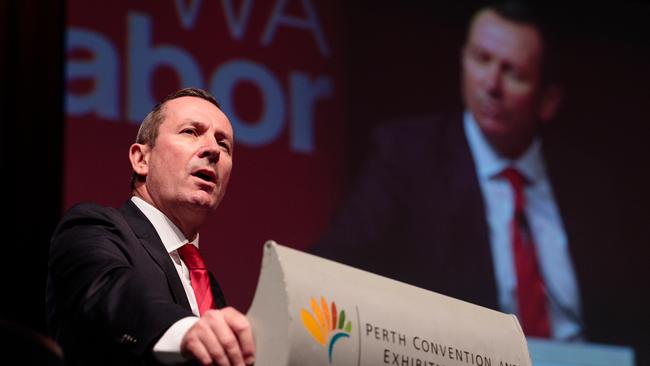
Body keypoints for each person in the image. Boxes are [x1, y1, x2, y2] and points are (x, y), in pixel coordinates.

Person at [312, 2, 649, 364]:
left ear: (548, 101)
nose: (491, 84)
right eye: (481, 59)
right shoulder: (406, 156)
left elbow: (631, 317)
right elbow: (329, 271)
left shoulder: (591, 185)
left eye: (514, 73)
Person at [46, 88, 256, 366]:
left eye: (224, 144)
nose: (213, 150)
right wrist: (185, 330)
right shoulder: (92, 227)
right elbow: (111, 292)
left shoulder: (209, 287)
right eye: (191, 132)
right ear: (141, 159)